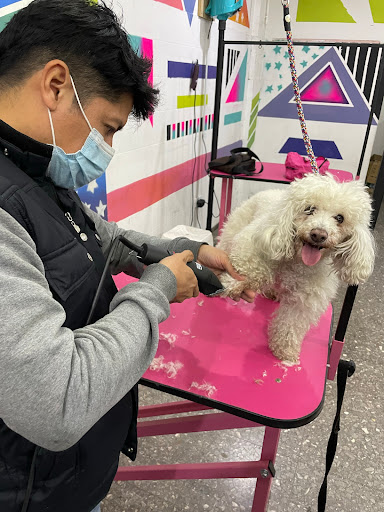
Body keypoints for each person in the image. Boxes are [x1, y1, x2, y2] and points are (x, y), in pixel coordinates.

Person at [0, 1, 255, 511]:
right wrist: (157, 290)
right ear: (55, 85)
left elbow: (97, 238)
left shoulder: (31, 169)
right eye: (108, 127)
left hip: (67, 475)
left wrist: (183, 250)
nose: (107, 149)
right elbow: (56, 400)